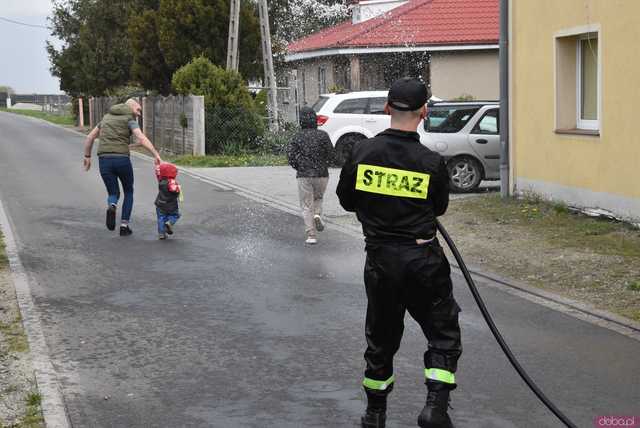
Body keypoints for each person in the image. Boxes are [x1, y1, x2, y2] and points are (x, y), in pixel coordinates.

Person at [336, 77, 462, 428]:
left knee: (381, 338)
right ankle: (435, 408)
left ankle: (375, 413)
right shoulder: (431, 161)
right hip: (423, 261)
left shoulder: (362, 153)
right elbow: (438, 208)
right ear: (424, 112)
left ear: (387, 107)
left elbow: (346, 201)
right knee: (443, 333)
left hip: (380, 262)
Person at [83, 98, 162, 236]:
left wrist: (87, 156)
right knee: (128, 191)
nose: (139, 114)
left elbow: (90, 137)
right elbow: (141, 138)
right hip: (122, 160)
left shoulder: (106, 118)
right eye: (138, 110)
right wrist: (156, 154)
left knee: (113, 193)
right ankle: (124, 226)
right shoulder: (129, 120)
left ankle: (112, 206)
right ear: (130, 107)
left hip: (104, 160)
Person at [287, 106, 334, 245]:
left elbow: (291, 156)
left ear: (301, 121)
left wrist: (299, 166)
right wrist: (324, 164)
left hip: (304, 175)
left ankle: (311, 235)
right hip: (321, 174)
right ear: (315, 119)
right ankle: (317, 214)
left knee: (307, 204)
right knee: (318, 197)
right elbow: (331, 154)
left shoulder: (297, 136)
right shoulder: (323, 135)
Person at [155, 162, 182, 240]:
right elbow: (174, 190)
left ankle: (161, 234)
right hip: (171, 205)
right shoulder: (172, 182)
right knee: (176, 215)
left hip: (160, 203)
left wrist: (157, 166)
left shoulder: (161, 181)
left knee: (161, 218)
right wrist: (178, 188)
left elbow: (158, 173)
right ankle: (169, 222)